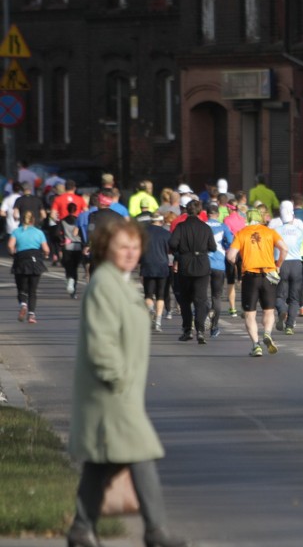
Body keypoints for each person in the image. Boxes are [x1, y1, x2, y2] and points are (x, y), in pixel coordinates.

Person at [66, 218, 188, 547]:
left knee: (102, 460)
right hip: (110, 390)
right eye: (124, 247)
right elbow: (101, 340)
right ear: (107, 248)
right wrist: (118, 378)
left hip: (119, 390)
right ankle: (155, 531)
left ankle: (81, 528)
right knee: (140, 451)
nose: (131, 253)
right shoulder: (105, 284)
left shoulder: (117, 280)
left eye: (135, 247)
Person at [226, 209, 287, 357]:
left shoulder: (241, 233)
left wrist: (235, 263)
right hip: (268, 274)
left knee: (249, 314)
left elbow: (230, 255)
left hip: (250, 277)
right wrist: (278, 265)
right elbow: (284, 248)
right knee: (269, 310)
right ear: (260, 218)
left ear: (247, 218)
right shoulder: (270, 232)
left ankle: (256, 345)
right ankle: (267, 333)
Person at [168, 200, 216, 344]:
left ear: (187, 211)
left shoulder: (181, 227)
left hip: (185, 264)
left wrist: (179, 253)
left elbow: (172, 243)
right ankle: (200, 331)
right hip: (202, 264)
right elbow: (212, 246)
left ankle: (187, 329)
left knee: (185, 300)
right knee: (200, 300)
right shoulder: (205, 227)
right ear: (200, 211)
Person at [268, 201, 303, 335]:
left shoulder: (275, 231)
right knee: (295, 298)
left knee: (279, 295)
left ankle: (282, 310)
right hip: (296, 263)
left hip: (281, 263)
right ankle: (289, 326)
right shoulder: (299, 230)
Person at [8, 210, 50, 324]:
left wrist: (13, 253)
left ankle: (23, 304)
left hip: (21, 260)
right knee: (33, 290)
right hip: (35, 260)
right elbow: (46, 249)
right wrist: (46, 255)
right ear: (33, 220)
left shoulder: (16, 232)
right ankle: (31, 315)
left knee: (21, 287)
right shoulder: (39, 232)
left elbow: (10, 246)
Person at [205, 204, 234, 338]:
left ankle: (204, 314)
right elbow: (231, 241)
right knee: (216, 296)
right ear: (217, 215)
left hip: (204, 264)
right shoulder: (223, 227)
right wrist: (226, 246)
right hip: (219, 264)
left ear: (207, 214)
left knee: (202, 294)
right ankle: (214, 327)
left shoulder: (203, 226)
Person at [140, 214, 172, 333]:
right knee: (160, 295)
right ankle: (158, 321)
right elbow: (172, 249)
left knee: (148, 294)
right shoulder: (166, 233)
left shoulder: (143, 233)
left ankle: (150, 308)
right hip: (162, 265)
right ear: (161, 221)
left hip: (147, 264)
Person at [60, 203, 84, 299]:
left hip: (67, 246)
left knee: (68, 266)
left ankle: (69, 279)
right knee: (75, 267)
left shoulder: (62, 221)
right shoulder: (79, 221)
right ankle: (73, 288)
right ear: (76, 210)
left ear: (67, 209)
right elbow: (82, 232)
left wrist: (62, 241)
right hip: (78, 246)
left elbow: (57, 234)